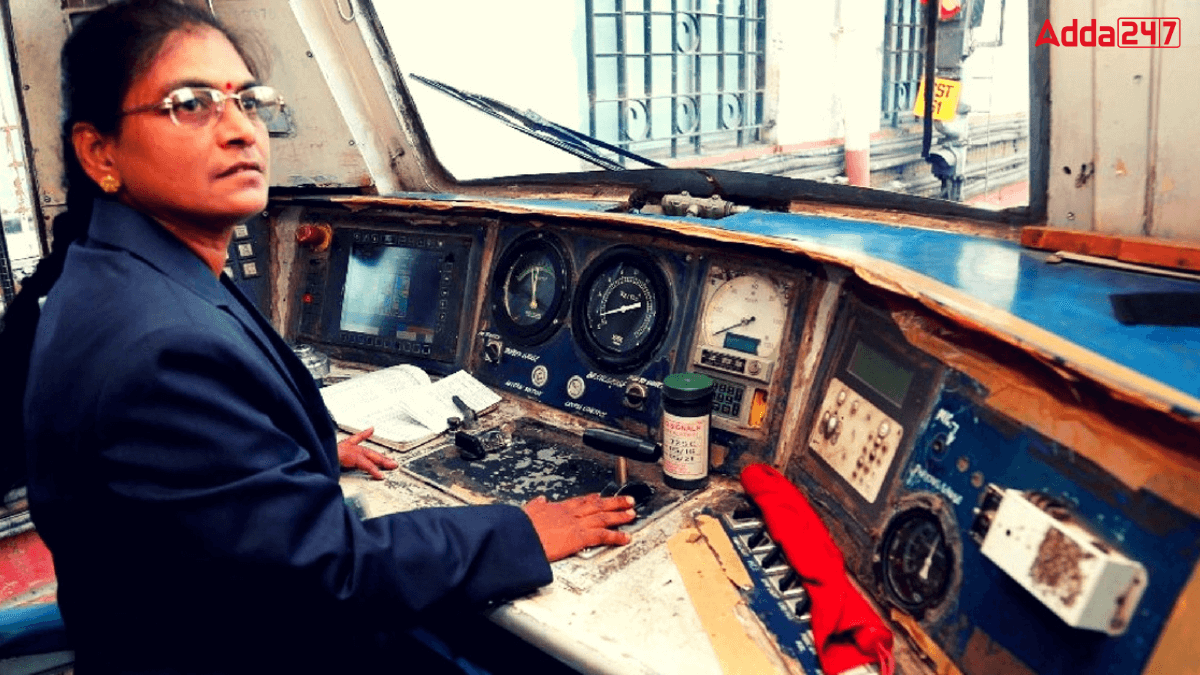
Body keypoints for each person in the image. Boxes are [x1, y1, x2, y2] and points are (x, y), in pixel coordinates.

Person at [4, 1, 636, 672]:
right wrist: (519, 532)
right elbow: (330, 572)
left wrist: (294, 452)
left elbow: (189, 490)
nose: (242, 131)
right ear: (99, 150)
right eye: (191, 105)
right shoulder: (158, 346)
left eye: (248, 102)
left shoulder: (110, 275)